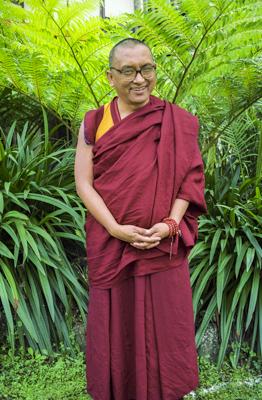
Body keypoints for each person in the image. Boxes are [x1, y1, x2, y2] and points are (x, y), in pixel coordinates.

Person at [74, 38, 207, 400]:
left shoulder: (176, 122)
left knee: (166, 323)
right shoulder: (95, 122)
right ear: (110, 76)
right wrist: (116, 229)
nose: (139, 79)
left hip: (161, 245)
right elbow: (83, 184)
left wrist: (170, 225)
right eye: (129, 71)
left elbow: (190, 180)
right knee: (116, 323)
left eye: (146, 69)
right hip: (110, 243)